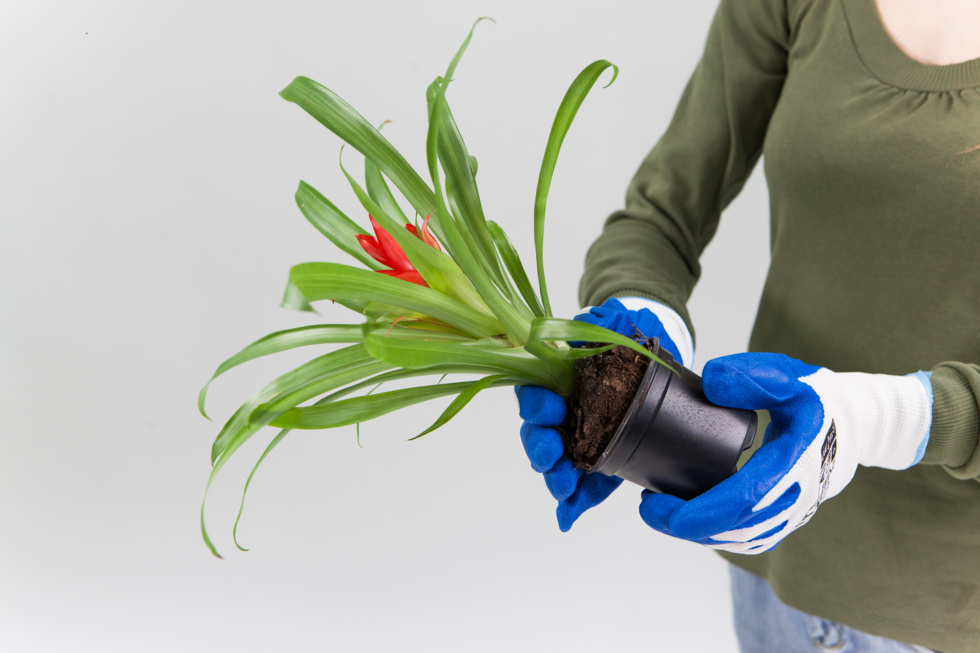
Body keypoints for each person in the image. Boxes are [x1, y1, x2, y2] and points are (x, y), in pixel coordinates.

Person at [515, 0, 980, 651]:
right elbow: (661, 214)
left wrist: (869, 419)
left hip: (948, 615)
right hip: (773, 572)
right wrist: (640, 333)